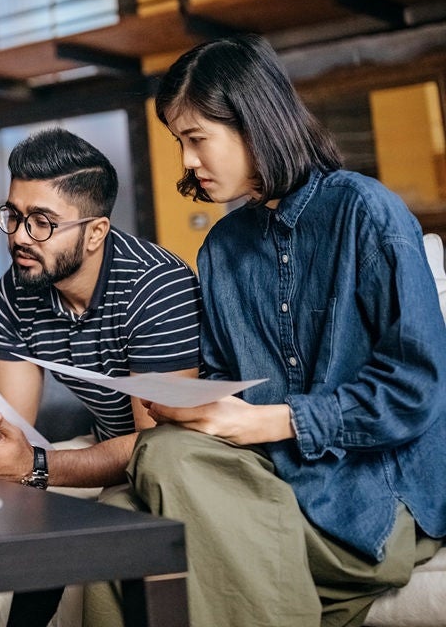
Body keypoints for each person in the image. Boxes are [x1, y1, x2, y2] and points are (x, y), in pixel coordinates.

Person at [84, 34, 446, 627]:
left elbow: (416, 387)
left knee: (166, 465)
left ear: (255, 123)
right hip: (271, 477)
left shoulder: (365, 212)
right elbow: (231, 385)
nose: (187, 162)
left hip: (367, 500)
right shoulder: (223, 249)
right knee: (124, 510)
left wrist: (267, 420)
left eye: (197, 139)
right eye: (180, 142)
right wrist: (196, 406)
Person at [0, 128, 202, 624]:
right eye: (12, 215)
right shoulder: (20, 286)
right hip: (99, 445)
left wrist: (34, 466)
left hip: (177, 458)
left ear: (95, 232)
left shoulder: (155, 288)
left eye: (42, 222)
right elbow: (7, 422)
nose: (17, 236)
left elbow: (157, 446)